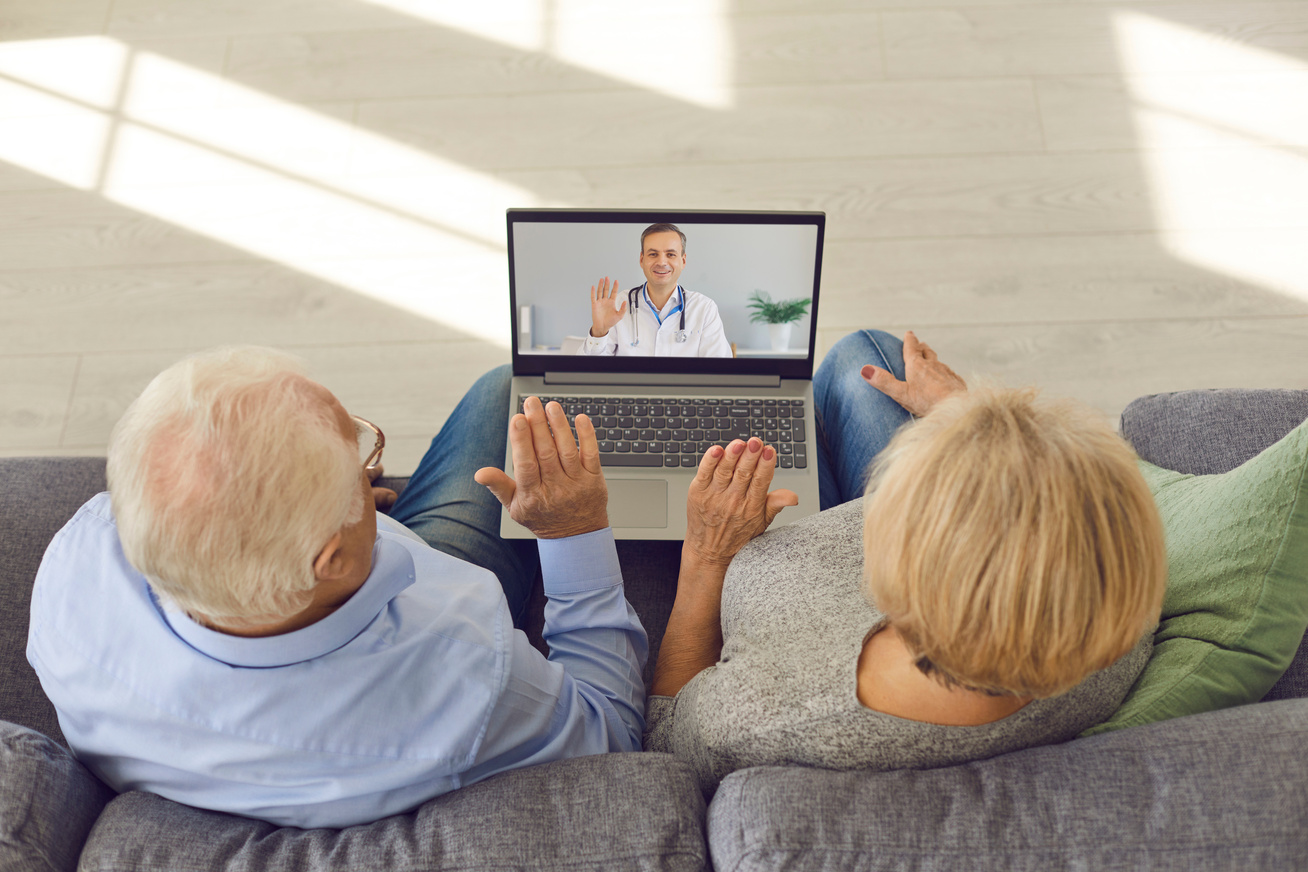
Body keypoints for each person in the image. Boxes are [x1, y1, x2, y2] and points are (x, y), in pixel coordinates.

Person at [27, 347, 647, 829]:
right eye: (362, 466)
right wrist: (574, 532)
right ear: (330, 559)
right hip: (410, 640)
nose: (372, 467)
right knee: (504, 388)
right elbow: (613, 735)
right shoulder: (465, 682)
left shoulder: (75, 566)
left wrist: (322, 514)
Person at [643, 329, 1168, 794]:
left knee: (861, 360)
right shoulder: (1117, 608)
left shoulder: (754, 716)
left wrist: (708, 556)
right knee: (865, 357)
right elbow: (1045, 533)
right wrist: (973, 422)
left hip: (736, 555)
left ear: (888, 587)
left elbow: (667, 741)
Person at [579, 223, 733, 358]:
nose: (661, 262)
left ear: (683, 260)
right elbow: (588, 371)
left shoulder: (704, 308)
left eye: (670, 254)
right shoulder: (619, 304)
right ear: (642, 259)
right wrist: (599, 332)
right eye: (653, 254)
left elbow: (720, 372)